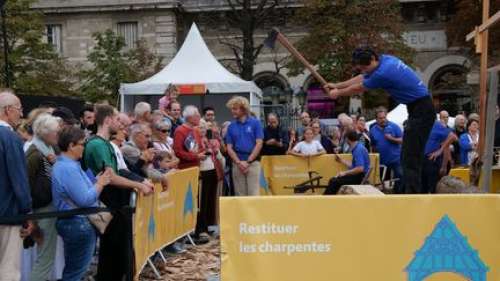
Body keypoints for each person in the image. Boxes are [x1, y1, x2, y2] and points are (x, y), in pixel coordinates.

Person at [325, 47, 435, 194]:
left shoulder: (383, 73)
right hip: (417, 107)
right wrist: (337, 85)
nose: (363, 70)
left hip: (422, 109)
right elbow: (362, 77)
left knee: (410, 155)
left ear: (371, 60)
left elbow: (359, 87)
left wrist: (338, 93)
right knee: (408, 155)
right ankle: (409, 191)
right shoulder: (384, 59)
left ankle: (414, 194)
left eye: (364, 67)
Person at [82, 104, 153, 281]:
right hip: (109, 205)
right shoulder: (97, 144)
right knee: (112, 256)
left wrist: (140, 181)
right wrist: (138, 186)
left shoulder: (105, 144)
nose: (121, 125)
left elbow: (118, 171)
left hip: (117, 205)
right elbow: (111, 176)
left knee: (117, 255)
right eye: (116, 119)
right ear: (107, 120)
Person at [52, 126, 112, 281]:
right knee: (75, 273)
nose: (85, 147)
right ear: (71, 146)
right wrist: (101, 183)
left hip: (76, 223)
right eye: (82, 144)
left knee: (75, 271)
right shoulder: (68, 168)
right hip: (78, 223)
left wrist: (97, 181)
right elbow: (85, 199)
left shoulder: (68, 165)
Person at [0, 89, 34, 281]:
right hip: (7, 214)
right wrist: (27, 211)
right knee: (8, 269)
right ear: (7, 110)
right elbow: (19, 179)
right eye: (19, 109)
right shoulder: (11, 138)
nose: (21, 113)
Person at [25, 114, 60, 281]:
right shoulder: (34, 153)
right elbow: (26, 185)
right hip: (42, 209)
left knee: (46, 255)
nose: (57, 135)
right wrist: (30, 216)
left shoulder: (49, 149)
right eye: (55, 132)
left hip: (48, 207)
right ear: (45, 132)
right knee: (45, 257)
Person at [225, 96, 264, 196]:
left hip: (253, 163)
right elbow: (229, 147)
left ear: (243, 109)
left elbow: (259, 143)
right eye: (231, 109)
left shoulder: (256, 123)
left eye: (235, 109)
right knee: (240, 194)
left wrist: (248, 161)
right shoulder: (231, 126)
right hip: (237, 164)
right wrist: (238, 163)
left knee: (254, 194)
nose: (232, 111)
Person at [196, 120, 223, 240]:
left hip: (212, 170)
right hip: (202, 172)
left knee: (209, 200)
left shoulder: (208, 140)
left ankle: (207, 225)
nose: (202, 130)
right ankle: (200, 228)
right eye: (200, 127)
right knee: (202, 201)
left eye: (204, 128)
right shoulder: (195, 140)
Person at [121, 123, 169, 189]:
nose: (149, 140)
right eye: (146, 136)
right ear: (136, 136)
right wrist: (162, 177)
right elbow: (146, 171)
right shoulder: (128, 149)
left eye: (150, 136)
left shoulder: (142, 149)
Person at [369, 107, 404, 193]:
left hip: (396, 159)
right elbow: (373, 145)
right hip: (382, 161)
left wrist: (391, 138)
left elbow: (403, 140)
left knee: (401, 176)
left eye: (384, 117)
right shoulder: (373, 130)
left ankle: (398, 195)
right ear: (376, 119)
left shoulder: (394, 126)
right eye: (380, 118)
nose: (383, 120)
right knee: (381, 181)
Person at [324, 130, 370, 195]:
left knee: (334, 181)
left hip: (359, 177)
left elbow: (360, 168)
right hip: (359, 175)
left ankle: (325, 200)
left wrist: (344, 173)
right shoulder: (358, 147)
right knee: (334, 180)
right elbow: (354, 166)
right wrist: (341, 161)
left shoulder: (358, 150)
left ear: (347, 139)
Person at [422, 121, 457, 193]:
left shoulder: (436, 125)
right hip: (419, 161)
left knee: (434, 188)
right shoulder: (416, 124)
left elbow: (453, 136)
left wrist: (440, 151)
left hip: (431, 159)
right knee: (421, 188)